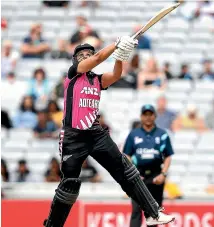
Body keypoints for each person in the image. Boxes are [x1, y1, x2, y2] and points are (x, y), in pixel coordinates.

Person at [43, 37, 174, 226]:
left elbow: (115, 75)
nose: (86, 56)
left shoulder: (96, 79)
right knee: (69, 185)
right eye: (82, 55)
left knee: (126, 171)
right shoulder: (73, 74)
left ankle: (153, 212)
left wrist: (119, 56)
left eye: (88, 53)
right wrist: (116, 44)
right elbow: (97, 58)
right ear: (75, 60)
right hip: (73, 136)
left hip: (96, 134)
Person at [123, 104, 174, 227]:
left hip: (156, 176)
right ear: (141, 116)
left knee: (154, 214)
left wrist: (163, 174)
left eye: (150, 114)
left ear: (155, 116)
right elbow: (126, 155)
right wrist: (133, 172)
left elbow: (168, 156)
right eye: (145, 114)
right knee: (136, 211)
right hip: (138, 176)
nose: (148, 117)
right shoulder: (133, 135)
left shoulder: (162, 134)